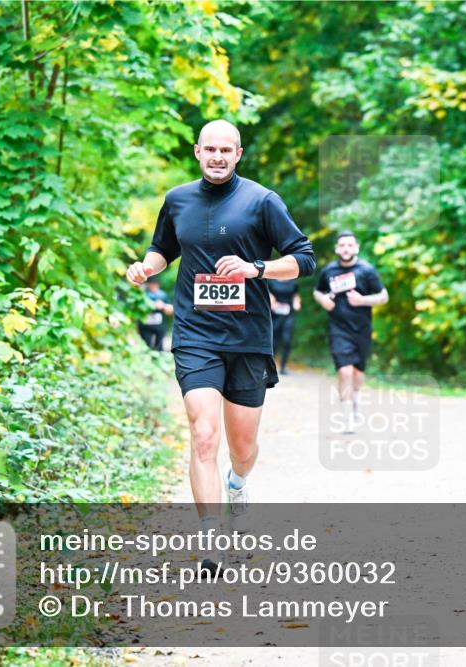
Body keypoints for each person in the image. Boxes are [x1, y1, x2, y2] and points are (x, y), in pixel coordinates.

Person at [126, 120, 315, 572]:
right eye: (209, 148)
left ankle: (238, 482)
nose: (216, 156)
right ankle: (211, 543)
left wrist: (256, 269)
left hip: (248, 337)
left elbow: (304, 259)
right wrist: (144, 267)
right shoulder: (177, 200)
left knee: (242, 447)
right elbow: (162, 249)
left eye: (225, 150)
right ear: (196, 151)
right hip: (195, 334)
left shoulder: (262, 201)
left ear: (238, 154)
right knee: (204, 434)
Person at [313, 231, 388, 433]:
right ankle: (347, 419)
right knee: (344, 371)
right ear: (337, 249)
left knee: (357, 373)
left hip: (362, 328)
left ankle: (356, 405)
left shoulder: (366, 270)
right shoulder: (329, 270)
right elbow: (317, 291)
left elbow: (383, 296)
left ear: (356, 248)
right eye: (342, 245)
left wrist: (362, 300)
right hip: (338, 328)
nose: (346, 248)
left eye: (349, 245)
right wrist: (324, 300)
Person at [267, 278, 300, 374]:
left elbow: (296, 295)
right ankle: (269, 366)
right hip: (275, 315)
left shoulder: (293, 283)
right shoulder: (272, 282)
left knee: (287, 340)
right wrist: (271, 298)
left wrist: (297, 302)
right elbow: (266, 292)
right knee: (274, 341)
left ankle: (283, 367)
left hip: (288, 314)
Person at [138, 276, 172, 351]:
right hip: (145, 324)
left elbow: (169, 310)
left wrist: (163, 306)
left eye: (155, 284)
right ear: (148, 284)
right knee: (146, 345)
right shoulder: (143, 294)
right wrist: (153, 305)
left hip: (159, 325)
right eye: (151, 284)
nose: (153, 286)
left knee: (159, 346)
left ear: (158, 285)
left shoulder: (162, 295)